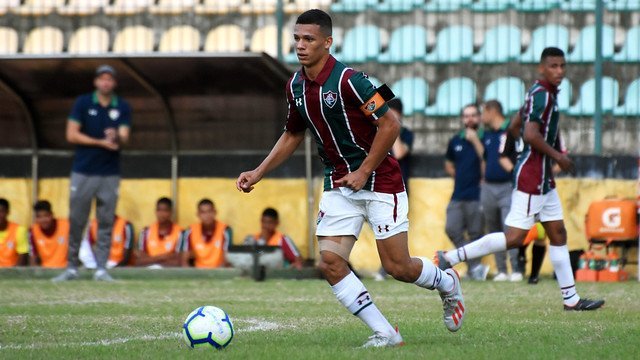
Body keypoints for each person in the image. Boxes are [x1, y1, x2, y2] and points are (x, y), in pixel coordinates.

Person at [236, 9, 465, 348]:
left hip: (380, 182)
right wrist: (259, 171)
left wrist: (363, 171)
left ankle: (447, 282)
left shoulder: (351, 81)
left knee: (397, 267)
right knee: (330, 263)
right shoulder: (295, 86)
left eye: (309, 39)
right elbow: (292, 134)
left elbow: (390, 125)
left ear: (327, 43)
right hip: (340, 185)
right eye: (297, 38)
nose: (300, 45)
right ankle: (386, 333)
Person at [435, 47, 604, 311]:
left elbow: (515, 126)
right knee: (514, 238)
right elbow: (530, 134)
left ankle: (571, 300)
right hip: (533, 177)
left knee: (557, 233)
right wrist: (557, 157)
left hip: (543, 178)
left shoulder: (540, 93)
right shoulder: (542, 96)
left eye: (562, 66)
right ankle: (450, 257)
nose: (559, 71)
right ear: (541, 68)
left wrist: (514, 154)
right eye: (553, 66)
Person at [54, 64, 131, 282]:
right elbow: (71, 134)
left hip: (109, 173)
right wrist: (100, 142)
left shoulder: (122, 106)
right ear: (96, 82)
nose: (106, 82)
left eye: (110, 79)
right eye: (102, 79)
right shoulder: (83, 103)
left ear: (114, 83)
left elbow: (125, 137)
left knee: (106, 221)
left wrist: (115, 135)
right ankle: (71, 267)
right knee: (77, 219)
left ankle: (101, 269)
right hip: (83, 170)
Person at [500, 110, 566, 284]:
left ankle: (534, 274)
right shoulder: (517, 130)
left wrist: (546, 174)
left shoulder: (553, 130)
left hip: (543, 187)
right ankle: (521, 259)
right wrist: (517, 173)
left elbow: (562, 156)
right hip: (522, 186)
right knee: (519, 230)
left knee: (542, 230)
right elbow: (503, 156)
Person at [443, 104, 489, 280]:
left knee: (476, 234)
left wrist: (475, 140)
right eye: (466, 116)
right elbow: (448, 163)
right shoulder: (455, 140)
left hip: (478, 194)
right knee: (451, 228)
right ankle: (475, 266)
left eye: (473, 115)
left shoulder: (486, 138)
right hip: (458, 194)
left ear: (479, 117)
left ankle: (474, 271)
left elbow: (487, 160)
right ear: (462, 119)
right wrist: (459, 175)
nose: (469, 119)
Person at [480, 100, 521, 282]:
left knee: (509, 229)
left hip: (507, 186)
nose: (482, 117)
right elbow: (485, 160)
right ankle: (502, 270)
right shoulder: (487, 134)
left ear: (491, 111)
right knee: (494, 229)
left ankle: (516, 268)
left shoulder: (511, 130)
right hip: (488, 187)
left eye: (483, 112)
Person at [181, 199, 232, 268]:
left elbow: (226, 260)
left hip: (218, 272)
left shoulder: (225, 230)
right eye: (203, 212)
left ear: (215, 212)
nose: (207, 215)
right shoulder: (190, 231)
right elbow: (184, 260)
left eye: (209, 211)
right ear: (198, 214)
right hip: (198, 273)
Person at [135, 197, 183, 267]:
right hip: (149, 271)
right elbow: (140, 261)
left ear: (171, 212)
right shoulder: (146, 232)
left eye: (165, 210)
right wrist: (161, 258)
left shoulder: (180, 232)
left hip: (169, 272)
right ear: (155, 211)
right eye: (159, 210)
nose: (161, 214)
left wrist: (151, 260)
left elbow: (178, 262)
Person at [30, 200, 70, 269]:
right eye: (39, 217)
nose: (43, 220)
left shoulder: (66, 225)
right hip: (45, 271)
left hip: (65, 269)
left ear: (52, 214)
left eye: (46, 216)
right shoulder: (33, 230)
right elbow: (33, 254)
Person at [388, 98, 414, 192]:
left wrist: (395, 127)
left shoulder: (407, 134)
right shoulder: (379, 132)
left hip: (399, 187)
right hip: (382, 186)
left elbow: (398, 154)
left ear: (400, 115)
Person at [0, 198, 29, 267]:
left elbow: (23, 257)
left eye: (1, 211)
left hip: (12, 274)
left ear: (8, 212)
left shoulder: (19, 230)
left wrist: (13, 274)